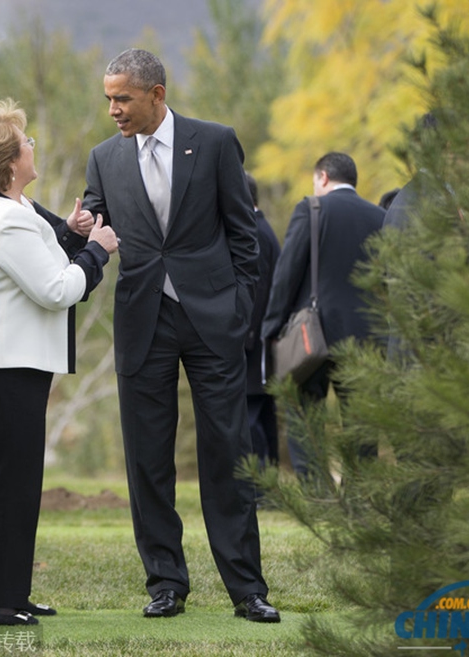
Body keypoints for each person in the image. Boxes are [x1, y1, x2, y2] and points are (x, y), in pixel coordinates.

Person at [83, 48, 280, 623]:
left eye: (123, 98)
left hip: (213, 319)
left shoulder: (216, 142)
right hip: (143, 321)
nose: (114, 109)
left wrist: (239, 308)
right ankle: (166, 583)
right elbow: (94, 228)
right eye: (108, 99)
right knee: (148, 459)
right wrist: (75, 233)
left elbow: (245, 234)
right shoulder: (102, 158)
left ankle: (248, 590)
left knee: (228, 451)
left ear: (157, 94)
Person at [0, 99, 118, 626]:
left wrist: (69, 233)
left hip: (0, 360)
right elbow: (54, 288)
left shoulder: (8, 209)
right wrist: (98, 251)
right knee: (10, 482)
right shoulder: (5, 219)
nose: (32, 146)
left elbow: (40, 255)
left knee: (16, 481)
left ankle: (6, 592)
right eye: (25, 142)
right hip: (5, 364)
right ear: (8, 162)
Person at [261, 152, 385, 476]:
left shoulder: (312, 209)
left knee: (306, 420)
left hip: (313, 335)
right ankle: (360, 499)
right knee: (361, 426)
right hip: (366, 337)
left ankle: (317, 497)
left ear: (323, 178)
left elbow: (286, 273)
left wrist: (272, 327)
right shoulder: (379, 216)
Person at [243, 172, 280, 469]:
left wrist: (247, 335)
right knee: (262, 412)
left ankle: (261, 489)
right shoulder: (261, 228)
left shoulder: (253, 232)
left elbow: (259, 288)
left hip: (253, 341)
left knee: (250, 414)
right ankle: (268, 486)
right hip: (261, 339)